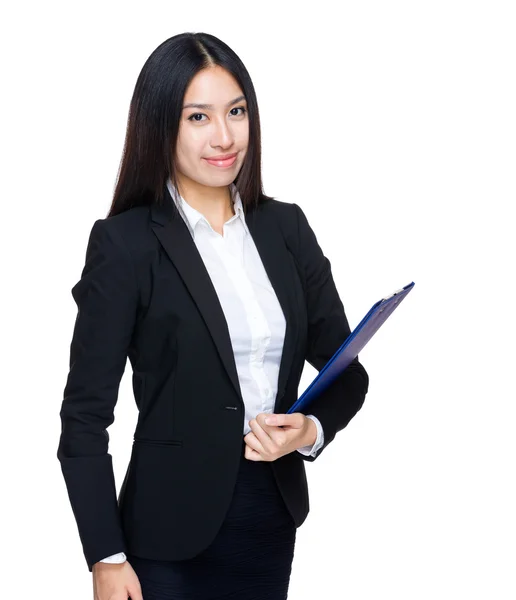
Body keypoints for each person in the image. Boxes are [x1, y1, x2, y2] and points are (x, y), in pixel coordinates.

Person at [57, 31, 369, 600]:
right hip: (161, 543)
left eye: (236, 112)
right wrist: (105, 555)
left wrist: (308, 429)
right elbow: (83, 419)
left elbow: (346, 369)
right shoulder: (125, 245)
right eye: (197, 117)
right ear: (161, 126)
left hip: (269, 523)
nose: (224, 137)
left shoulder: (286, 228)